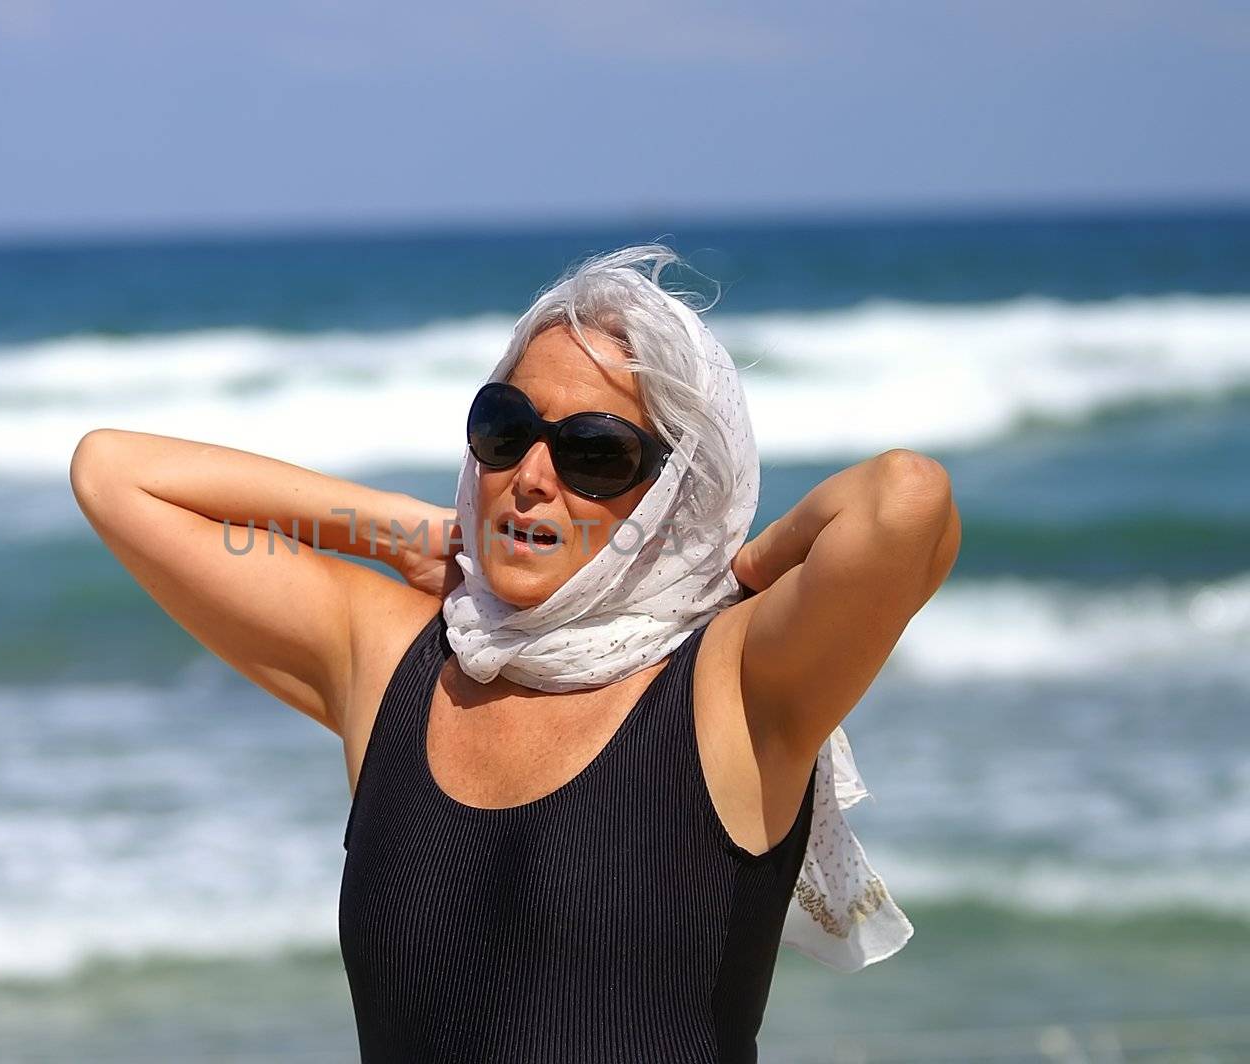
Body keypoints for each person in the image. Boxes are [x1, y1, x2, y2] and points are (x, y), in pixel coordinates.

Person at [69, 244, 961, 1062]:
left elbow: (906, 501)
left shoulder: (733, 686)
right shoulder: (392, 660)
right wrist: (394, 527)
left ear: (677, 495)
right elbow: (114, 474)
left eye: (594, 452)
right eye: (504, 429)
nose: (531, 474)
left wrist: (752, 559)